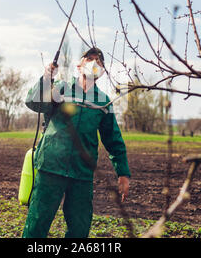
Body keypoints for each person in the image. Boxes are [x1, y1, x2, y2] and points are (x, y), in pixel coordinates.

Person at [22, 47, 131, 238]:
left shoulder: (103, 102)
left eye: (99, 61)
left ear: (103, 71)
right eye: (89, 58)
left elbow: (113, 138)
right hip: (50, 167)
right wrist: (46, 79)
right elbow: (33, 103)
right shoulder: (61, 90)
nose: (94, 63)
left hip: (82, 173)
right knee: (37, 225)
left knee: (80, 229)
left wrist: (123, 173)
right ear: (79, 65)